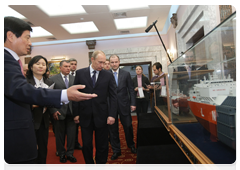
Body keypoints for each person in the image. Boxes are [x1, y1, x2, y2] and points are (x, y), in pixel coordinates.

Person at [4, 16, 97, 170]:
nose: (30, 43)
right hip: (13, 141)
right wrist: (64, 95)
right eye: (27, 37)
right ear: (10, 36)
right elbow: (20, 90)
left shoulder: (11, 60)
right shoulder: (5, 59)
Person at [72, 50, 117, 170]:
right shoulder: (80, 73)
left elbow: (113, 96)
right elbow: (75, 94)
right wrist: (75, 113)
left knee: (102, 145)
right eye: (100, 62)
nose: (102, 65)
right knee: (86, 145)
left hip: (102, 116)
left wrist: (112, 114)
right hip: (85, 116)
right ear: (92, 60)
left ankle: (100, 166)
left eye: (104, 62)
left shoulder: (108, 75)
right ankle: (90, 166)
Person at [26, 55, 53, 170]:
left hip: (44, 120)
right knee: (30, 148)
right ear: (31, 67)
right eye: (38, 64)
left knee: (43, 148)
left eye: (43, 64)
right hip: (30, 120)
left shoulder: (49, 82)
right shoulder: (25, 82)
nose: (41, 66)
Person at [109, 54, 137, 160]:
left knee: (128, 126)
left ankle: (131, 145)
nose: (114, 64)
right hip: (111, 106)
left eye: (116, 62)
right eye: (112, 62)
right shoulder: (106, 74)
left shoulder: (126, 74)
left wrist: (133, 103)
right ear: (110, 63)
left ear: (119, 62)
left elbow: (131, 89)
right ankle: (116, 150)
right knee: (113, 129)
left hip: (124, 105)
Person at [50, 60, 77, 163]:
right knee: (59, 135)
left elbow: (77, 96)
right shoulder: (53, 79)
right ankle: (61, 153)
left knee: (71, 135)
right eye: (66, 66)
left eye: (69, 66)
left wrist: (77, 113)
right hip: (59, 111)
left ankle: (70, 153)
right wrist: (53, 111)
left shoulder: (75, 79)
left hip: (72, 111)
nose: (68, 68)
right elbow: (50, 97)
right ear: (60, 68)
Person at [69, 58, 83, 150]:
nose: (73, 66)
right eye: (71, 64)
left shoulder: (79, 75)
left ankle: (76, 143)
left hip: (77, 105)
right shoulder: (65, 76)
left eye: (75, 64)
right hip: (67, 105)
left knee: (76, 126)